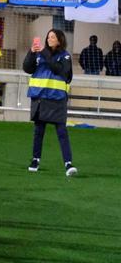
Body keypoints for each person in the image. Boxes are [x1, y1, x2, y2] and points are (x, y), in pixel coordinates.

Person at [25, 30, 77, 177]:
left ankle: (68, 164)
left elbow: (60, 70)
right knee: (38, 132)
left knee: (62, 132)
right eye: (48, 37)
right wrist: (31, 52)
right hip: (40, 97)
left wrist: (44, 54)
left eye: (52, 37)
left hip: (57, 99)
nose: (49, 39)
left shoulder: (65, 56)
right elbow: (27, 68)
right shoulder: (40, 54)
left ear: (60, 40)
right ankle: (35, 160)